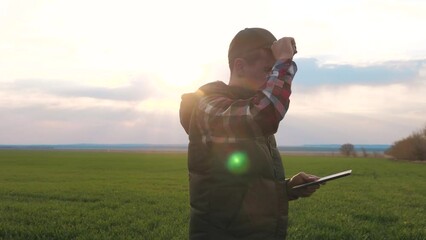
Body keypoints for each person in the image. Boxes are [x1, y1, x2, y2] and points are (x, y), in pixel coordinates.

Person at [179, 27, 320, 240]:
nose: (271, 78)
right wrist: (284, 63)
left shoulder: (246, 112)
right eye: (268, 70)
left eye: (274, 71)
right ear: (240, 67)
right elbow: (265, 114)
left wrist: (288, 188)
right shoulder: (209, 106)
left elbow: (240, 188)